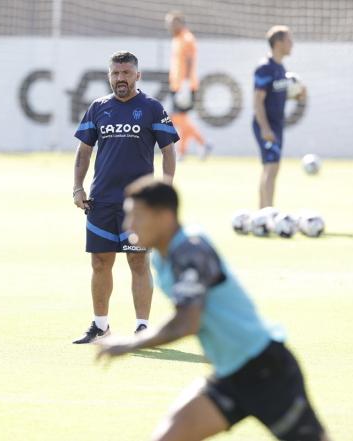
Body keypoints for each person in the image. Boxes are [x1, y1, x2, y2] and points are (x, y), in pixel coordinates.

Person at [97, 177, 330, 441]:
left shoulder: (190, 251)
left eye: (136, 216)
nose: (128, 226)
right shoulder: (166, 255)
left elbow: (187, 322)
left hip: (266, 371)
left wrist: (130, 344)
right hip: (230, 375)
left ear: (164, 216)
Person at [72, 51, 178, 344]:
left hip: (139, 206)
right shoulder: (97, 108)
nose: (121, 79)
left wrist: (165, 191)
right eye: (116, 74)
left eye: (126, 73)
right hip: (102, 200)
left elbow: (168, 151)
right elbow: (84, 152)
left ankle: (143, 327)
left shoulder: (152, 108)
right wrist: (78, 187)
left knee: (138, 262)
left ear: (137, 76)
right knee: (100, 263)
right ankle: (100, 326)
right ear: (110, 76)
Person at [253, 25, 305, 208]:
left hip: (276, 124)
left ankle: (265, 211)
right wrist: (265, 128)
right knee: (271, 166)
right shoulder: (265, 68)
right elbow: (258, 101)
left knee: (272, 167)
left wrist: (296, 94)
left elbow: (277, 93)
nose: (292, 44)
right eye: (289, 40)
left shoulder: (280, 67)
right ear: (278, 43)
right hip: (266, 124)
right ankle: (266, 212)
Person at [165, 11, 212, 161]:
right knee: (182, 118)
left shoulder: (187, 38)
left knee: (177, 118)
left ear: (180, 23)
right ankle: (183, 151)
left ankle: (203, 143)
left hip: (184, 85)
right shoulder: (177, 39)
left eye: (172, 23)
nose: (169, 26)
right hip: (177, 84)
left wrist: (185, 83)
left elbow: (190, 61)